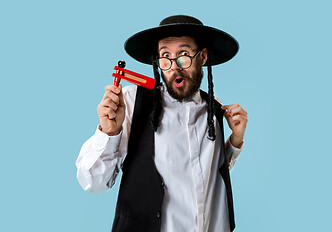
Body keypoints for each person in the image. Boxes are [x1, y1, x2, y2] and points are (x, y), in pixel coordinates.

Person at [76, 15, 248, 232]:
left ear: (202, 57)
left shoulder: (215, 108)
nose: (174, 66)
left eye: (184, 55)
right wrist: (110, 132)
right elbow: (92, 182)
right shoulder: (130, 102)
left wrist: (235, 140)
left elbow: (210, 175)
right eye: (165, 56)